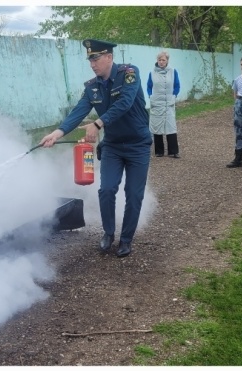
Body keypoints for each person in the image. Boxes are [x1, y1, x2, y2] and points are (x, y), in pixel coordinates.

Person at [39, 39, 151, 258]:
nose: (92, 63)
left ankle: (126, 239)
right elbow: (78, 112)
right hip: (113, 146)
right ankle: (108, 233)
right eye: (90, 59)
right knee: (106, 190)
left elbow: (125, 102)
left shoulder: (129, 73)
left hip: (138, 145)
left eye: (96, 58)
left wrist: (98, 123)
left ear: (109, 57)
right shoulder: (92, 86)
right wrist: (57, 133)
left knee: (134, 195)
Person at [147, 50, 181, 158]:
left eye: (163, 60)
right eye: (159, 60)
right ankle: (159, 151)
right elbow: (149, 86)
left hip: (169, 102)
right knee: (157, 126)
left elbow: (177, 85)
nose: (161, 62)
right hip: (157, 102)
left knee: (171, 126)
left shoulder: (173, 71)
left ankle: (173, 151)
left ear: (167, 61)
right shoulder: (152, 73)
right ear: (157, 61)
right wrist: (150, 95)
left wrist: (174, 95)